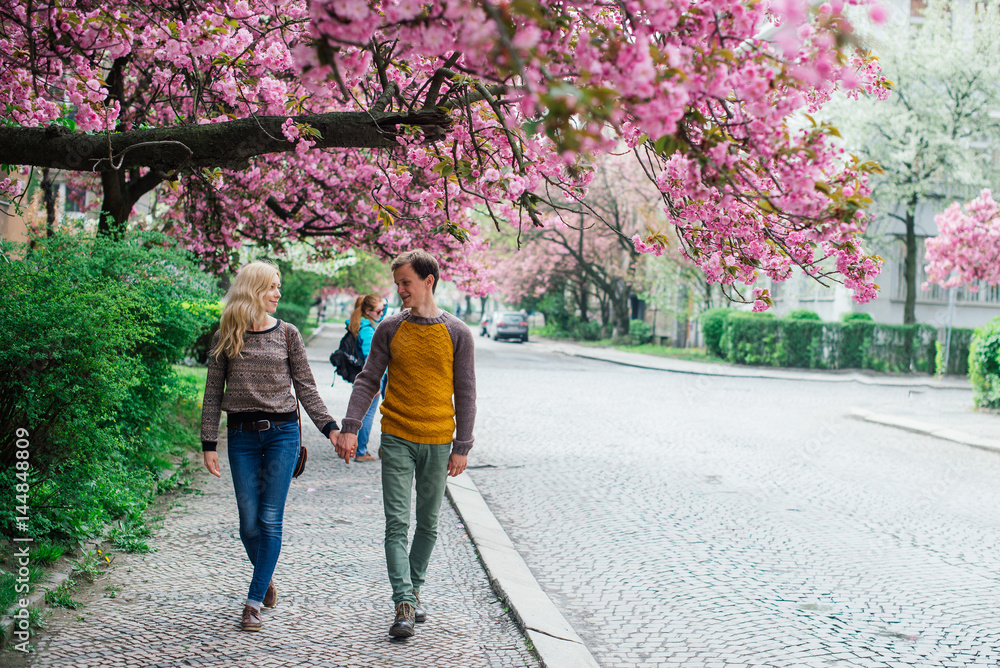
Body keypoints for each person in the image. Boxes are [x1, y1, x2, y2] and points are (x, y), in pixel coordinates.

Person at [335, 249, 475, 639]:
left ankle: (412, 593)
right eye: (397, 283)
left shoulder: (458, 332)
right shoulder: (390, 329)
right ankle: (404, 602)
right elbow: (367, 379)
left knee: (428, 524)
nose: (400, 291)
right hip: (396, 436)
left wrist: (462, 445)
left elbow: (466, 392)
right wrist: (350, 426)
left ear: (428, 280)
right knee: (397, 523)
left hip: (438, 440)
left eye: (406, 283)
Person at [200, 260, 340, 632]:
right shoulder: (225, 335)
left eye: (278, 286)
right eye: (272, 287)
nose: (279, 293)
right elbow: (213, 392)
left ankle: (252, 602)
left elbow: (306, 386)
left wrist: (330, 427)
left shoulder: (288, 333)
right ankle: (266, 579)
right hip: (242, 437)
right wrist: (208, 443)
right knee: (248, 524)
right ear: (253, 290)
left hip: (282, 434)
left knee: (268, 519)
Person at [346, 293, 386, 462]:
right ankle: (360, 451)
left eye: (383, 311)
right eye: (378, 311)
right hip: (372, 380)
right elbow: (372, 358)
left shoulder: (358, 324)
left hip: (361, 377)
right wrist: (375, 382)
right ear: (368, 311)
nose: (382, 314)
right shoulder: (368, 329)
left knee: (362, 413)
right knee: (367, 415)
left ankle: (357, 449)